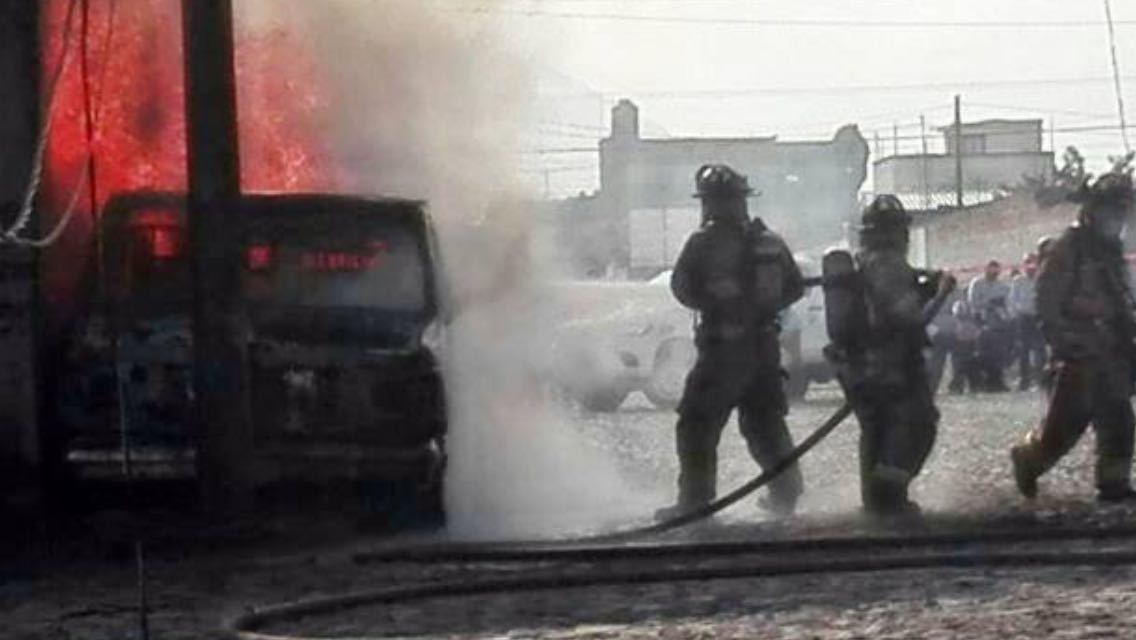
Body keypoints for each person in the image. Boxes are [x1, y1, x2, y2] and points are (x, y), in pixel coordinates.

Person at [656, 164, 805, 520]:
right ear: (743, 201)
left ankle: (696, 500)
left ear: (708, 203)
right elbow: (795, 286)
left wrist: (716, 302)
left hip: (722, 352)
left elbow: (682, 287)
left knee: (696, 424)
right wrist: (762, 311)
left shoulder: (702, 242)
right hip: (764, 350)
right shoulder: (770, 241)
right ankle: (786, 495)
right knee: (765, 424)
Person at [1010, 171, 1136, 502]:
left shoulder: (1110, 253)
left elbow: (1120, 300)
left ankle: (1113, 485)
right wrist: (1065, 343)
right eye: (1112, 210)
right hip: (1078, 354)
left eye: (1122, 211)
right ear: (1093, 210)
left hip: (1111, 352)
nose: (1117, 219)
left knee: (1119, 419)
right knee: (1063, 431)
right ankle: (1028, 460)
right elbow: (1047, 302)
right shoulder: (1069, 248)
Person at [827, 195, 952, 518]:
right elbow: (909, 318)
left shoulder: (863, 261)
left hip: (857, 365)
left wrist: (922, 285)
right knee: (919, 424)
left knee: (876, 428)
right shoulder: (888, 264)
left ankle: (875, 500)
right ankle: (889, 494)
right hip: (891, 363)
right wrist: (941, 293)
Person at [967, 260, 1012, 392]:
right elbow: (973, 302)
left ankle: (996, 381)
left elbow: (1007, 303)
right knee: (983, 353)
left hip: (997, 321)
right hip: (979, 320)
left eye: (996, 272)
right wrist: (988, 304)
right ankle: (980, 382)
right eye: (991, 271)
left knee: (998, 353)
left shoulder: (1002, 286)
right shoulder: (977, 284)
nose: (994, 275)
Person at [1009, 252, 1045, 390]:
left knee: (1040, 350)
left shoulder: (1041, 279)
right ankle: (1024, 381)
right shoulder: (1018, 281)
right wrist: (1017, 314)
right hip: (1023, 319)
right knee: (1023, 350)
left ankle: (1041, 379)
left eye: (1033, 262)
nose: (1031, 266)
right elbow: (1012, 300)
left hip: (1038, 318)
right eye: (1028, 263)